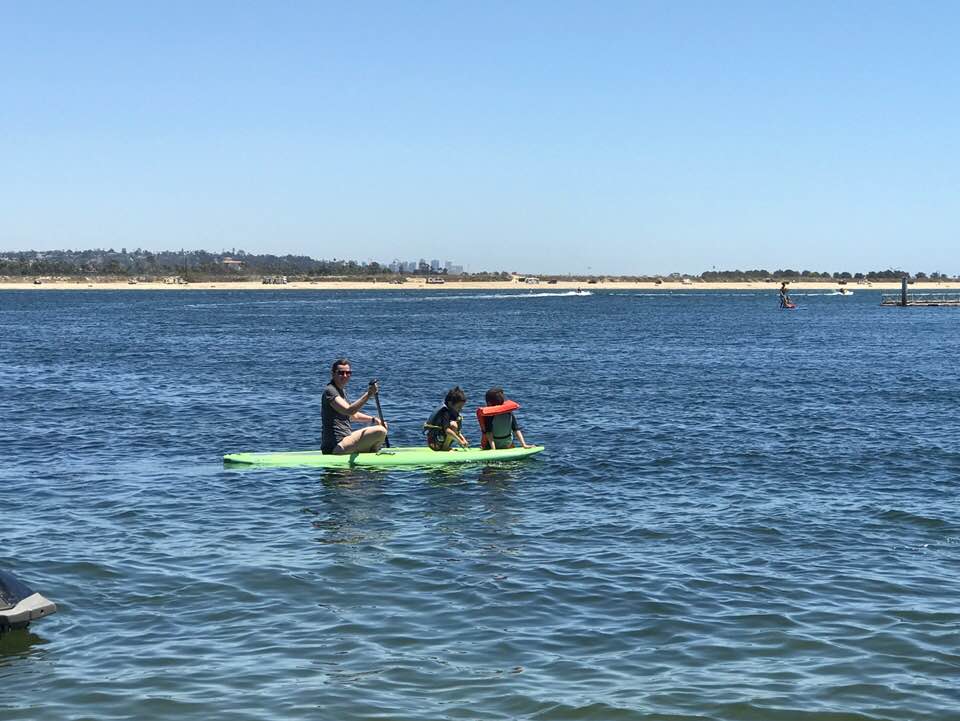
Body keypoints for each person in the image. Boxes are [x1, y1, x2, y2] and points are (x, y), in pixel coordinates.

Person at [321, 358, 388, 454]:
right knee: (380, 431)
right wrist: (369, 394)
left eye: (348, 373)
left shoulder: (342, 391)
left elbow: (353, 416)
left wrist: (374, 419)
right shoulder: (330, 391)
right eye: (341, 373)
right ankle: (374, 452)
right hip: (336, 445)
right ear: (333, 373)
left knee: (382, 426)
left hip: (345, 441)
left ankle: (373, 451)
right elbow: (349, 411)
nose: (345, 376)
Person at [424, 386, 469, 451]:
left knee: (454, 424)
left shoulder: (452, 411)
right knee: (453, 424)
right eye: (459, 407)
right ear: (450, 403)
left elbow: (457, 432)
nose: (461, 409)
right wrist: (460, 441)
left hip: (440, 440)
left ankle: (445, 446)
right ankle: (445, 448)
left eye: (462, 406)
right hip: (434, 443)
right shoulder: (445, 412)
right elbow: (447, 430)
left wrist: (463, 440)